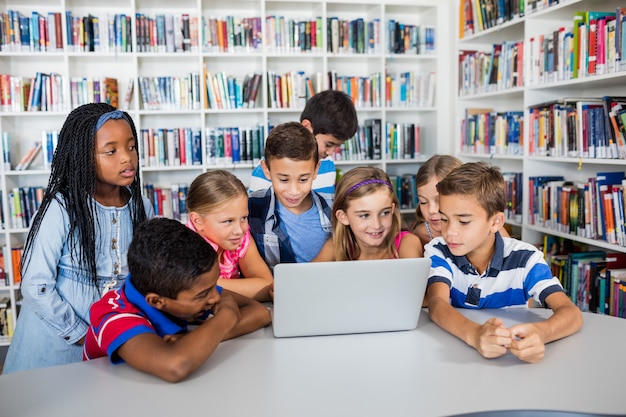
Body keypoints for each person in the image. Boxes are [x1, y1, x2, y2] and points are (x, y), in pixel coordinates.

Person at [3, 103, 154, 374]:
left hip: (113, 341)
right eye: (111, 151)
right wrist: (85, 334)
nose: (127, 158)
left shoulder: (141, 205)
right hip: (58, 345)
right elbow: (36, 285)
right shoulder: (61, 207)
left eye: (131, 147)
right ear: (84, 156)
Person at [425, 161, 583, 364]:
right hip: (456, 358)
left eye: (463, 221)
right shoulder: (438, 250)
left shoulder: (526, 258)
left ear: (495, 222)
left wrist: (541, 333)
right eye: (444, 219)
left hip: (511, 360)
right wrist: (475, 335)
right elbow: (437, 304)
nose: (449, 232)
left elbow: (571, 313)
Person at [83, 218, 272, 382]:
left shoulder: (188, 287)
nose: (215, 297)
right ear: (157, 302)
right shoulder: (113, 314)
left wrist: (191, 340)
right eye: (204, 294)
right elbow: (175, 365)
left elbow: (260, 313)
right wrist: (227, 316)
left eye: (215, 285)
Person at [248, 122, 333, 271]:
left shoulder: (334, 208)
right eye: (284, 180)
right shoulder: (250, 208)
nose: (294, 191)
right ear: (266, 170)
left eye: (303, 179)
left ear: (315, 170)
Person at [248, 89, 358, 194]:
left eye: (337, 146)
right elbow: (256, 209)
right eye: (328, 144)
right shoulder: (272, 166)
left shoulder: (327, 164)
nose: (331, 152)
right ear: (307, 127)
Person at [186, 170, 273, 302]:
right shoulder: (186, 246)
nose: (239, 230)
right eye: (228, 221)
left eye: (244, 217)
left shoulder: (240, 238)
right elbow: (190, 292)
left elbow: (267, 286)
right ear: (198, 221)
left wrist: (209, 287)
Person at [313, 166, 423, 261]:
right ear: (343, 217)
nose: (376, 225)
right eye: (364, 215)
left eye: (385, 212)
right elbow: (306, 280)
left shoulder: (407, 243)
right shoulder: (337, 246)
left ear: (392, 209)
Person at [411, 154, 508, 247]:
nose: (431, 210)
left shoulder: (492, 229)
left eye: (439, 200)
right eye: (423, 202)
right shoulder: (417, 237)